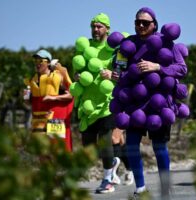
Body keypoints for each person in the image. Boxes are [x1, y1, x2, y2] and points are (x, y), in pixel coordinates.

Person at [110, 7, 188, 198]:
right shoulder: (127, 44)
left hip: (159, 105)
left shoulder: (166, 42)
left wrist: (158, 67)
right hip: (135, 103)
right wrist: (115, 75)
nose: (141, 26)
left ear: (155, 25)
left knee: (159, 147)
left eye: (146, 23)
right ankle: (140, 188)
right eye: (138, 22)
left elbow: (182, 69)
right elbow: (120, 70)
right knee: (131, 145)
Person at [70, 13, 121, 194]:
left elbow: (122, 73)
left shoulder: (115, 49)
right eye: (93, 26)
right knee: (89, 148)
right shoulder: (85, 48)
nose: (95, 30)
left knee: (106, 140)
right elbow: (77, 69)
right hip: (88, 105)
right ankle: (113, 162)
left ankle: (107, 179)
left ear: (108, 29)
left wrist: (112, 74)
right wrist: (76, 76)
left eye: (99, 26)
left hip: (108, 103)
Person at [24, 49, 74, 152]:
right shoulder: (32, 80)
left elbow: (70, 95)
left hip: (54, 118)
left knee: (56, 148)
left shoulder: (56, 77)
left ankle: (58, 168)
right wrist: (26, 98)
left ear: (48, 62)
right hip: (38, 118)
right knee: (41, 149)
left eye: (40, 61)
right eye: (36, 61)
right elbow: (29, 103)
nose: (37, 64)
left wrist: (53, 98)